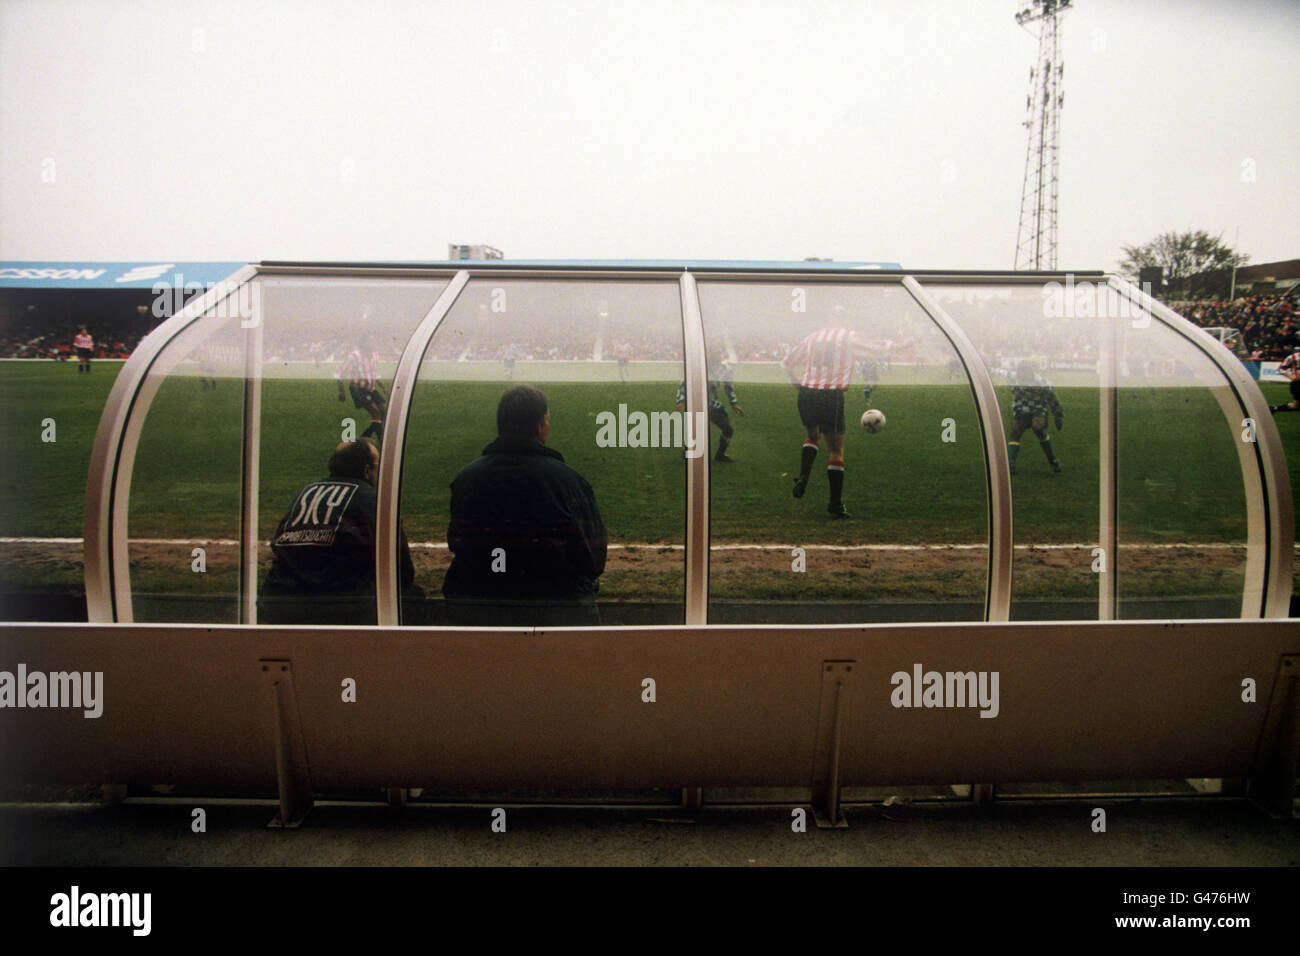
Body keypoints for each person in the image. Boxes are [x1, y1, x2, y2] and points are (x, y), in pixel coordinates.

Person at [443, 385, 607, 626]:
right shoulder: (569, 482)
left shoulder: (465, 480)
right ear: (539, 426)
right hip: (553, 609)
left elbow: (458, 543)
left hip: (481, 609)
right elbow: (594, 559)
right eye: (547, 421)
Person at [260, 439, 416, 624]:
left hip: (278, 602)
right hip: (339, 609)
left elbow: (279, 543)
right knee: (413, 598)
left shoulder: (306, 492)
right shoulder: (374, 499)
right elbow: (402, 569)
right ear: (367, 471)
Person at [783, 326, 886, 518]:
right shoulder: (847, 336)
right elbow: (876, 348)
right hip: (830, 395)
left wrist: (795, 380)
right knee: (836, 450)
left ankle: (804, 475)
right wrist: (900, 345)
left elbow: (787, 361)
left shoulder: (812, 336)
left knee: (812, 436)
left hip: (806, 393)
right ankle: (835, 504)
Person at [675, 355, 744, 462]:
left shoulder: (724, 369)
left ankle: (720, 455)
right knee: (696, 431)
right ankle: (687, 452)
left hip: (713, 404)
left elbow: (728, 387)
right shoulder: (696, 368)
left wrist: (734, 403)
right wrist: (681, 401)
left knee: (728, 429)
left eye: (718, 352)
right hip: (696, 402)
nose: (716, 355)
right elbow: (683, 385)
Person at [1007, 362, 1063, 474]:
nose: (1020, 373)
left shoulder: (1041, 383)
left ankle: (1053, 461)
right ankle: (1010, 465)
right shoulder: (1011, 376)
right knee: (1016, 432)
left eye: (1023, 371)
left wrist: (1058, 416)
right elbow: (994, 371)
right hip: (1021, 408)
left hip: (1038, 407)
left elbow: (1053, 400)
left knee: (1038, 427)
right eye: (1019, 370)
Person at [336, 342, 388, 442]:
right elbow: (339, 373)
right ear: (363, 346)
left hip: (371, 389)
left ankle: (363, 438)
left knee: (384, 411)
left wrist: (384, 388)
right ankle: (382, 443)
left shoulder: (375, 355)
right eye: (370, 343)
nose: (373, 345)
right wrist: (342, 391)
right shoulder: (354, 356)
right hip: (358, 389)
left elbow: (374, 373)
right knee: (376, 412)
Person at [1269, 348, 1300, 413]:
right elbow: (1281, 369)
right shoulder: (1293, 357)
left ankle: (1275, 408)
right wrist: (1291, 377)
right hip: (1298, 384)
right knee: (1296, 405)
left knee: (1296, 406)